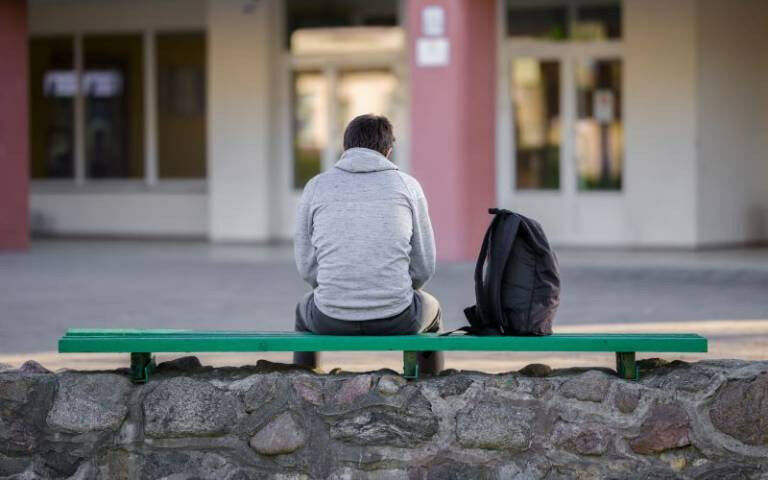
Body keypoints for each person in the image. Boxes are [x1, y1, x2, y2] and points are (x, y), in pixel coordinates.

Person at [293, 114, 443, 374]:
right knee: (434, 309)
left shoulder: (316, 186)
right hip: (397, 317)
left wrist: (337, 289)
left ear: (345, 148)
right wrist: (396, 290)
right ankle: (429, 388)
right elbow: (425, 266)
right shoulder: (407, 187)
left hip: (330, 317)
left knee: (302, 309)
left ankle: (307, 388)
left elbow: (306, 266)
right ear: (388, 150)